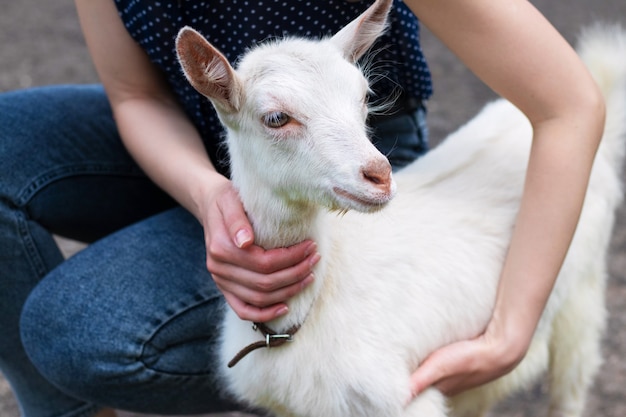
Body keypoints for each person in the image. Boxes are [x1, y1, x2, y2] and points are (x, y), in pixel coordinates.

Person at [0, 1, 604, 417]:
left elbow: (570, 104)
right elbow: (134, 95)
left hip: (351, 151)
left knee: (73, 332)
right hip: (222, 142)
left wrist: (510, 332)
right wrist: (210, 197)